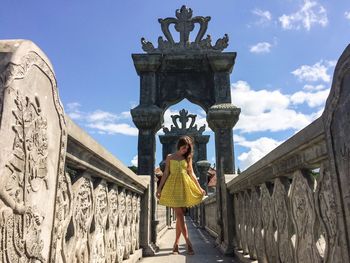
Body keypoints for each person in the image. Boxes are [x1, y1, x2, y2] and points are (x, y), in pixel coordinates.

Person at [156, 135, 206, 255]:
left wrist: (200, 188)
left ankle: (176, 245)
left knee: (179, 218)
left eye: (187, 149)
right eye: (184, 147)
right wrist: (159, 188)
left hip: (184, 187)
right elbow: (166, 173)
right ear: (179, 146)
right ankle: (189, 243)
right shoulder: (170, 157)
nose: (185, 150)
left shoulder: (188, 158)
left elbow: (192, 174)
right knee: (180, 216)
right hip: (172, 188)